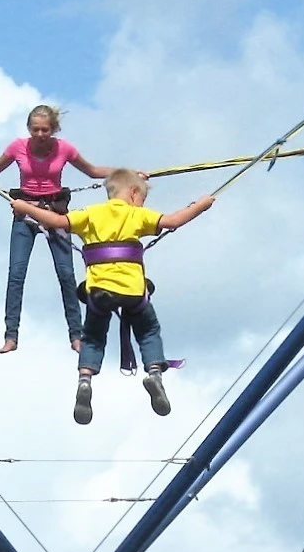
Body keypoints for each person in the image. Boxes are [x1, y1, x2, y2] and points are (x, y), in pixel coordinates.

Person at [12, 169, 215, 425]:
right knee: (148, 331)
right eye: (142, 198)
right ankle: (154, 373)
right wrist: (201, 205)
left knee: (93, 337)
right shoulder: (137, 214)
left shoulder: (91, 214)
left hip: (99, 293)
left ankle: (85, 380)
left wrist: (24, 207)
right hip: (133, 292)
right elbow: (173, 221)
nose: (143, 204)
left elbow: (56, 222)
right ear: (133, 192)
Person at [0, 105, 118, 354]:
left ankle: (77, 336)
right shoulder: (18, 147)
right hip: (25, 213)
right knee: (16, 274)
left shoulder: (64, 148)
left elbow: (94, 172)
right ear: (29, 129)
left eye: (45, 130)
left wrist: (128, 174)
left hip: (55, 214)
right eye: (36, 130)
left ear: (53, 129)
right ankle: (11, 336)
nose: (41, 134)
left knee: (66, 274)